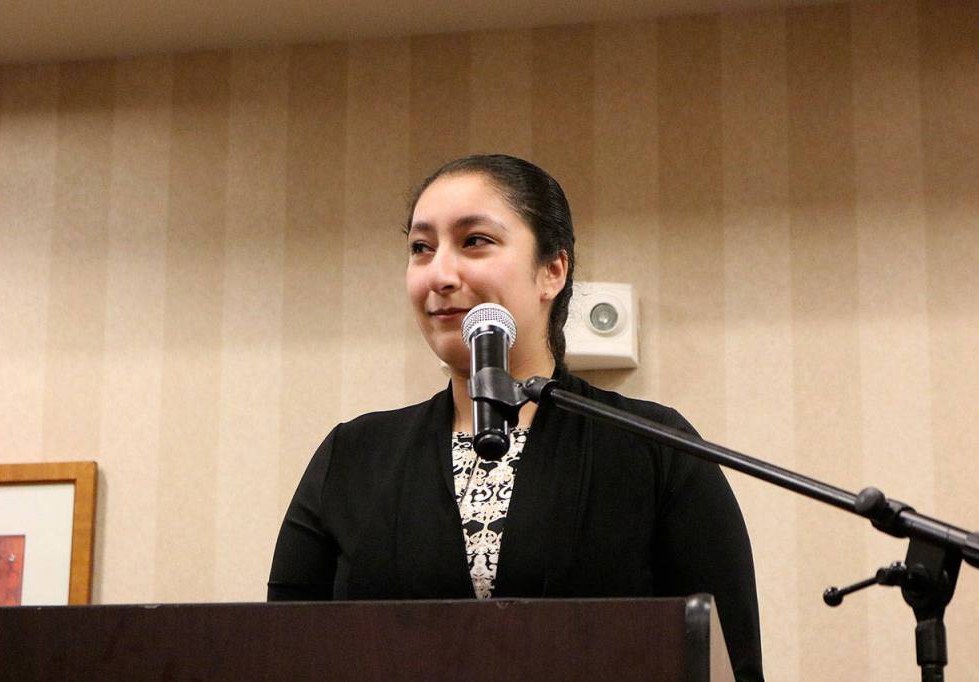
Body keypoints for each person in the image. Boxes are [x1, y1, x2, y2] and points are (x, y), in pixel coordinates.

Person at [268, 154, 763, 680]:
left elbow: (728, 660)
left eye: (474, 240)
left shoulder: (655, 446)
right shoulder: (352, 455)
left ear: (552, 270)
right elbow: (279, 653)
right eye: (421, 248)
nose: (440, 273)